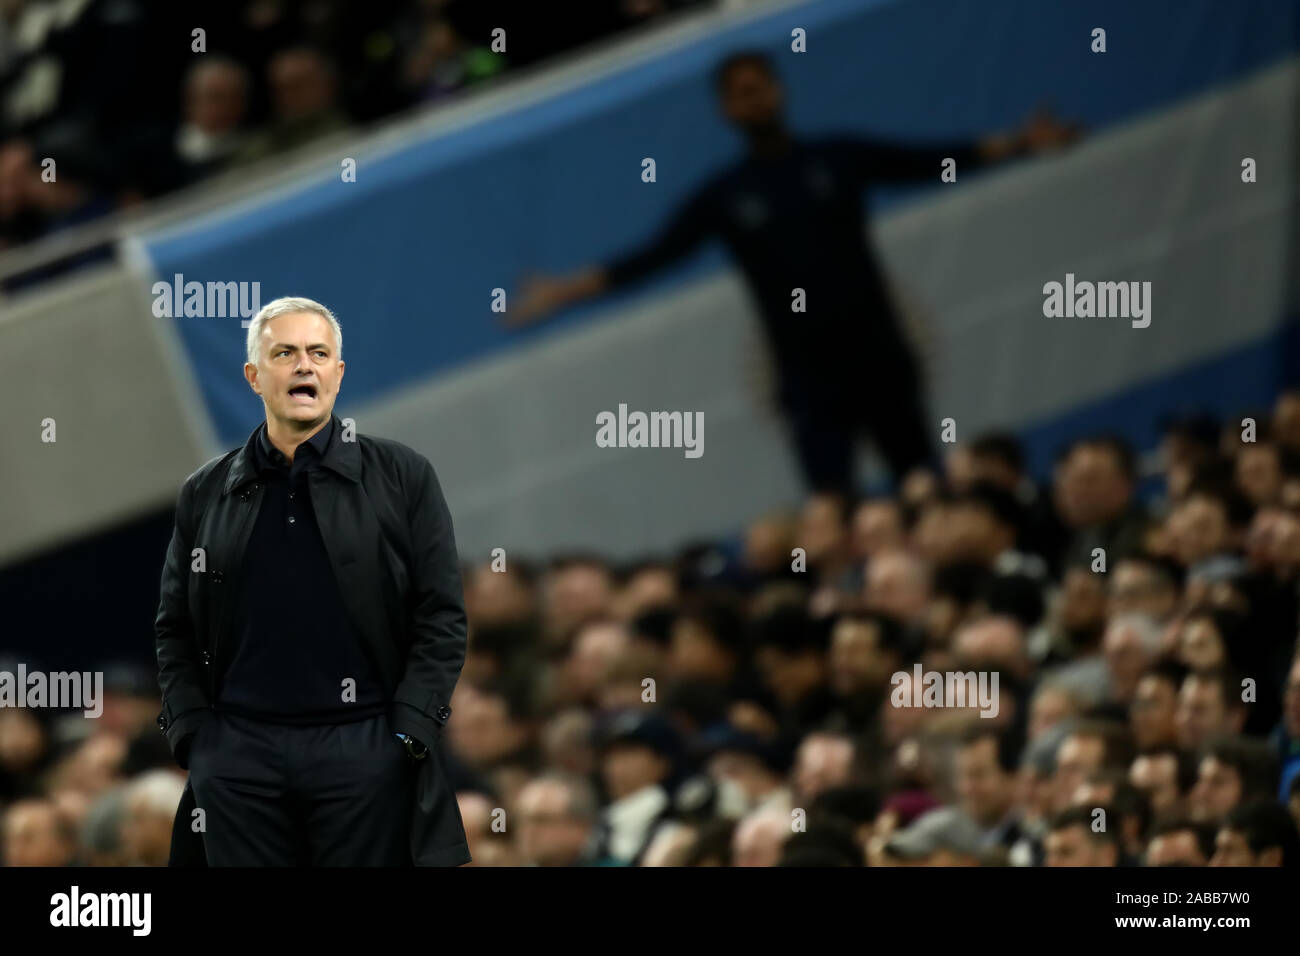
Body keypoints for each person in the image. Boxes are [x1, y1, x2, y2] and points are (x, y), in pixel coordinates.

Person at [507, 50, 1080, 495]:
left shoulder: (837, 157)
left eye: (760, 87)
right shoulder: (725, 196)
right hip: (807, 376)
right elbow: (654, 256)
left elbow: (932, 161)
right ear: (726, 109)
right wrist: (564, 291)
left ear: (779, 89)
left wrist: (1021, 144)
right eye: (740, 94)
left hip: (879, 352)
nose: (753, 100)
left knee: (921, 482)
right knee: (833, 501)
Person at [154, 296, 470, 866]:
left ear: (338, 373)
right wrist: (194, 735)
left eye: (319, 353)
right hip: (238, 757)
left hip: (366, 748)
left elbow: (441, 614)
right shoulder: (204, 491)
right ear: (254, 376)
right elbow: (175, 627)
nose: (305, 365)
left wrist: (407, 734)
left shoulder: (402, 475)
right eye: (286, 353)